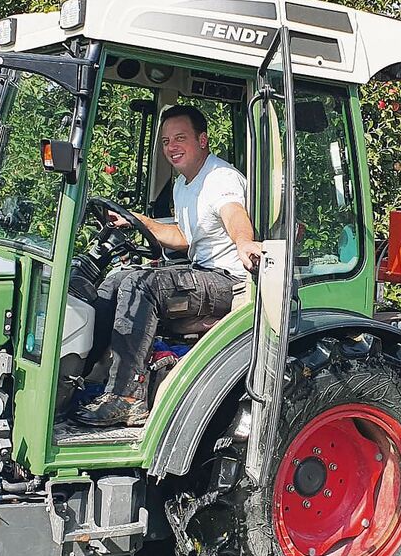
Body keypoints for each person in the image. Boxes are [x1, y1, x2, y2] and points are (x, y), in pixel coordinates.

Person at [77, 104, 264, 427]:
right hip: (202, 274)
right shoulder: (183, 184)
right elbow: (183, 237)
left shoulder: (220, 178)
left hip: (228, 282)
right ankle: (80, 376)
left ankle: (127, 398)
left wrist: (244, 242)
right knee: (117, 279)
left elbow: (234, 214)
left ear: (202, 140)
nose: (171, 147)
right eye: (165, 141)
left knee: (141, 285)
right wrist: (136, 220)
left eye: (180, 138)